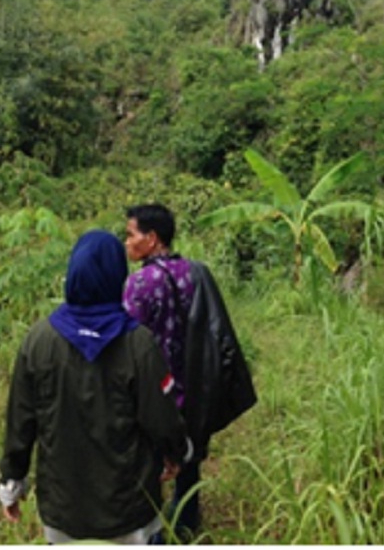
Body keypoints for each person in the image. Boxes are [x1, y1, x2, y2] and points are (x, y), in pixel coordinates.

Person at [0, 229, 192, 545]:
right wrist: (176, 454)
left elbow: (20, 423)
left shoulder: (39, 340)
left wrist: (10, 485)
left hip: (63, 512)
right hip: (131, 511)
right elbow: (163, 418)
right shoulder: (138, 344)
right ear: (117, 277)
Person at [123, 204, 257, 537]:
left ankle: (154, 535)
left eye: (131, 234)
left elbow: (127, 343)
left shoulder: (139, 284)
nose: (126, 242)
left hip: (156, 391)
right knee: (189, 459)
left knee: (149, 468)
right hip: (196, 384)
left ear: (152, 238)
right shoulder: (196, 272)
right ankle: (186, 524)